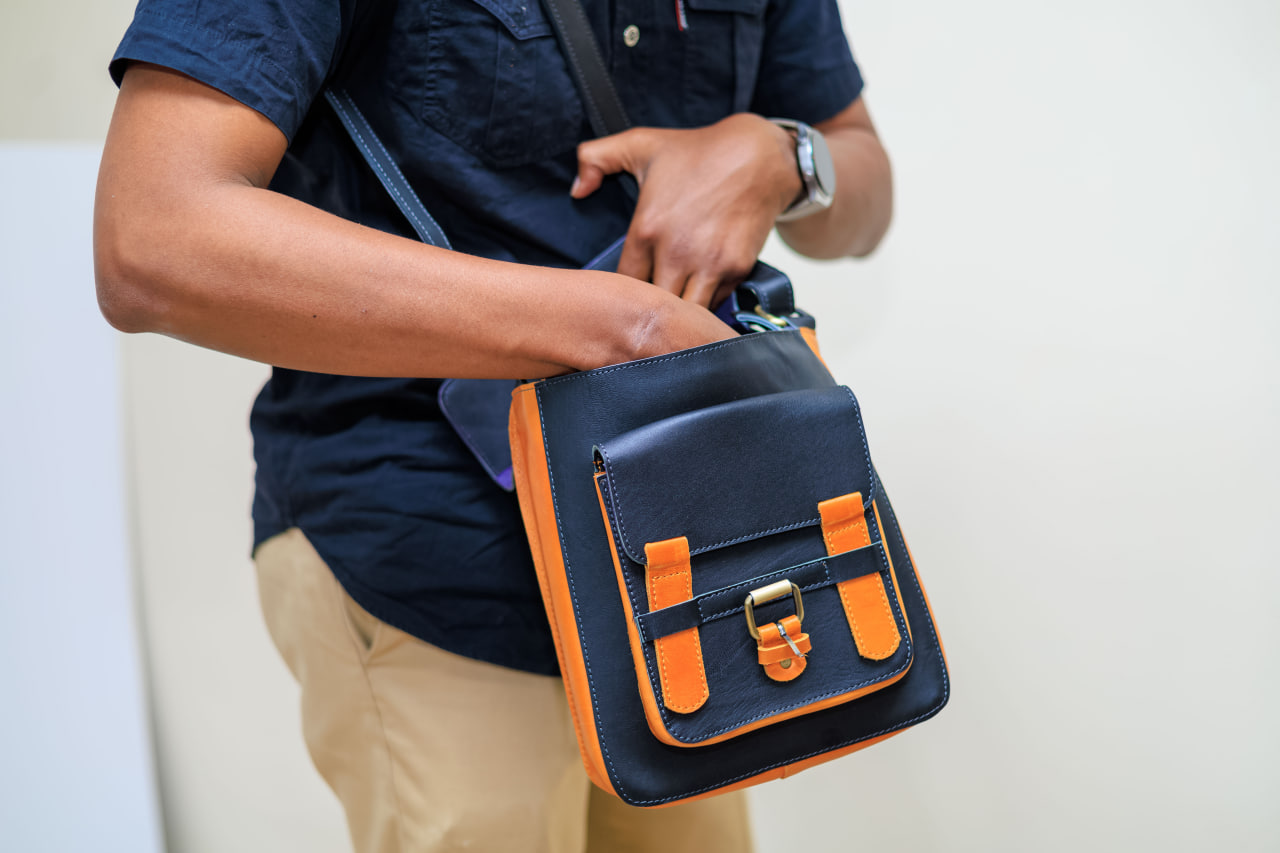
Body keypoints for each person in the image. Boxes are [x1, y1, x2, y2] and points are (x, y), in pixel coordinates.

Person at [95, 0, 892, 849]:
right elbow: (153, 239)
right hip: (434, 552)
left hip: (685, 556)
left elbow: (863, 187)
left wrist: (785, 157)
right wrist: (615, 327)